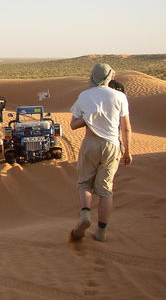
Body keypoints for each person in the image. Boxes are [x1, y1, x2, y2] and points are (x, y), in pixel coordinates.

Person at [69, 63, 132, 242]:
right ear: (109, 77)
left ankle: (85, 213)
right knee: (105, 190)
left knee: (84, 183)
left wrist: (88, 120)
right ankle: (102, 231)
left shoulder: (84, 96)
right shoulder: (120, 96)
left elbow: (73, 125)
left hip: (90, 143)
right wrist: (128, 151)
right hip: (112, 145)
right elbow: (126, 128)